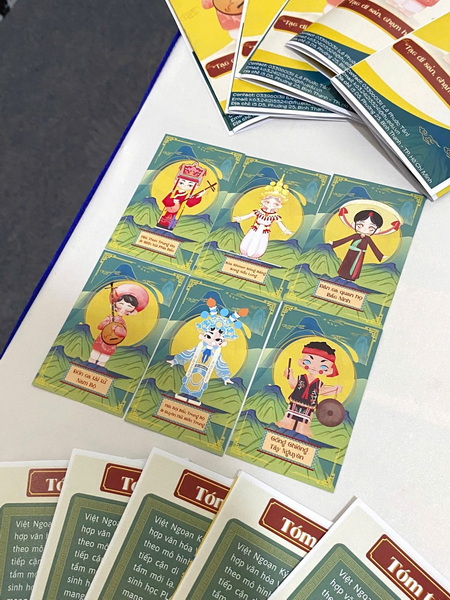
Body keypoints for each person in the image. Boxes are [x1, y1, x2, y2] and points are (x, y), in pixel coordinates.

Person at [167, 297, 248, 406]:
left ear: (223, 342)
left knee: (200, 383)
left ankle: (194, 397)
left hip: (205, 371)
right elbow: (188, 353)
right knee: (189, 380)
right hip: (194, 367)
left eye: (217, 340)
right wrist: (175, 360)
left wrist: (225, 377)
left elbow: (221, 364)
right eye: (209, 336)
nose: (212, 341)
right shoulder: (199, 347)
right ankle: (184, 394)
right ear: (203, 335)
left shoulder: (217, 353)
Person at [276, 341, 342, 438]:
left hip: (309, 405)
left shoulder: (319, 383)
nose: (314, 367)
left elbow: (322, 391)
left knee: (304, 421)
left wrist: (334, 389)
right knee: (290, 416)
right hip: (296, 401)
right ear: (301, 361)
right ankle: (286, 426)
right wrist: (289, 376)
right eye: (308, 361)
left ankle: (302, 431)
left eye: (323, 366)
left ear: (328, 370)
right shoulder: (301, 377)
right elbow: (293, 385)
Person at [88, 283, 149, 368]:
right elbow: (100, 327)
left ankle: (99, 367)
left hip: (111, 343)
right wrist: (107, 322)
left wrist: (116, 328)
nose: (124, 308)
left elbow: (122, 334)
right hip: (101, 340)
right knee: (94, 355)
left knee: (103, 359)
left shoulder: (122, 322)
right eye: (121, 303)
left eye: (129, 306)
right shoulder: (110, 318)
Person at [233, 176, 292, 260]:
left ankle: (255, 257)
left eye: (275, 204)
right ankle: (243, 253)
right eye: (268, 202)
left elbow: (280, 224)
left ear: (278, 205)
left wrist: (285, 230)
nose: (270, 205)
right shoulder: (259, 212)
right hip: (254, 229)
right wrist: (240, 218)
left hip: (264, 232)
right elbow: (249, 216)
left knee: (261, 244)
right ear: (264, 201)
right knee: (248, 240)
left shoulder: (275, 216)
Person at [330, 210, 385, 281]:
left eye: (371, 228)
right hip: (351, 252)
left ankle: (352, 277)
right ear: (354, 224)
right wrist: (334, 243)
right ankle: (342, 274)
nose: (364, 229)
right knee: (347, 263)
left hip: (360, 254)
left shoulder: (368, 238)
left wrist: (380, 256)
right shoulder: (356, 236)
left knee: (356, 265)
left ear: (376, 230)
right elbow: (345, 240)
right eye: (360, 226)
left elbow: (373, 247)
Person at [156, 161, 207, 230]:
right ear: (176, 181)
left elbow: (190, 203)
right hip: (168, 210)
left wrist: (199, 195)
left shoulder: (187, 195)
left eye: (190, 185)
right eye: (181, 183)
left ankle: (171, 227)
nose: (184, 186)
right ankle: (160, 224)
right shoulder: (174, 193)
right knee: (164, 218)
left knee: (174, 220)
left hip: (178, 212)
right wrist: (173, 201)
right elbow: (165, 201)